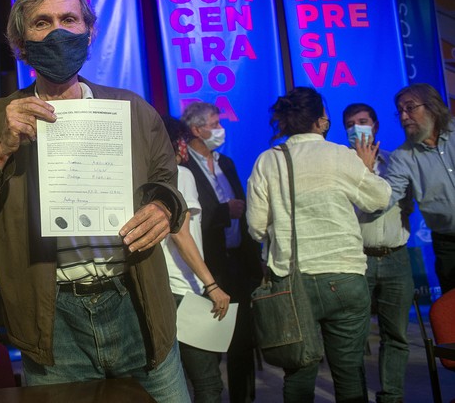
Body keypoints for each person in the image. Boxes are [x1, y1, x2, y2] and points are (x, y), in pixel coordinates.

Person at [0, 0, 191, 402]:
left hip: (136, 306)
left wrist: (163, 208)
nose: (57, 31)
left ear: (89, 30)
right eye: (41, 22)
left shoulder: (133, 110)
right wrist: (0, 150)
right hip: (53, 320)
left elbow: (166, 183)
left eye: (69, 18)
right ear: (21, 40)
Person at [246, 87, 391, 402]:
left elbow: (256, 227)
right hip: (345, 275)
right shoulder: (340, 154)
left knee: (298, 373)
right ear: (321, 121)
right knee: (350, 373)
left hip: (293, 281)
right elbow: (379, 198)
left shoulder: (268, 161)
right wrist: (365, 168)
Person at [181, 102, 263, 403]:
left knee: (243, 341)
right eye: (214, 124)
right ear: (196, 129)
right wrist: (222, 212)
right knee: (209, 345)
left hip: (237, 261)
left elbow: (244, 207)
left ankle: (244, 398)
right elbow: (189, 220)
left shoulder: (225, 162)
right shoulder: (184, 166)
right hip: (207, 266)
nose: (220, 129)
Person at [343, 103, 414, 403]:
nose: (357, 127)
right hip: (359, 258)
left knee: (396, 335)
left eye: (362, 121)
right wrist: (363, 169)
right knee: (354, 339)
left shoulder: (396, 162)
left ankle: (391, 397)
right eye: (350, 123)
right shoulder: (342, 165)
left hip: (396, 256)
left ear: (375, 125)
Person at [161, 115, 231, 403]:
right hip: (185, 291)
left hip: (160, 292)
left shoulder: (142, 176)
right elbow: (181, 233)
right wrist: (211, 285)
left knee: (169, 384)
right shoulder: (181, 174)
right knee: (208, 383)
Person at [384, 83, 455, 294]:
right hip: (449, 245)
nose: (404, 116)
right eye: (400, 111)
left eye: (410, 108)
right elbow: (385, 197)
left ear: (432, 107)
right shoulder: (402, 157)